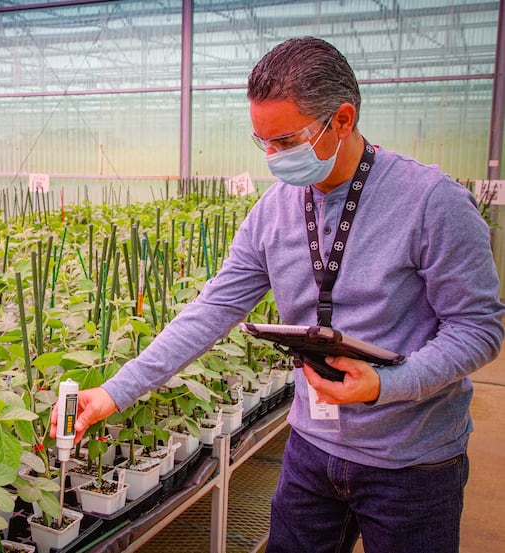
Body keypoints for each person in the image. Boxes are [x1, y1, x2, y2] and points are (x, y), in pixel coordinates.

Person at [50, 36, 505, 553]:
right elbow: (212, 310)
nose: (272, 157)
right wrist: (115, 391)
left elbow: (479, 328)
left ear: (342, 119)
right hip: (311, 446)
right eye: (261, 141)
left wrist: (385, 384)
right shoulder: (273, 212)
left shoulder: (431, 202)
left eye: (286, 141)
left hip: (413, 460)